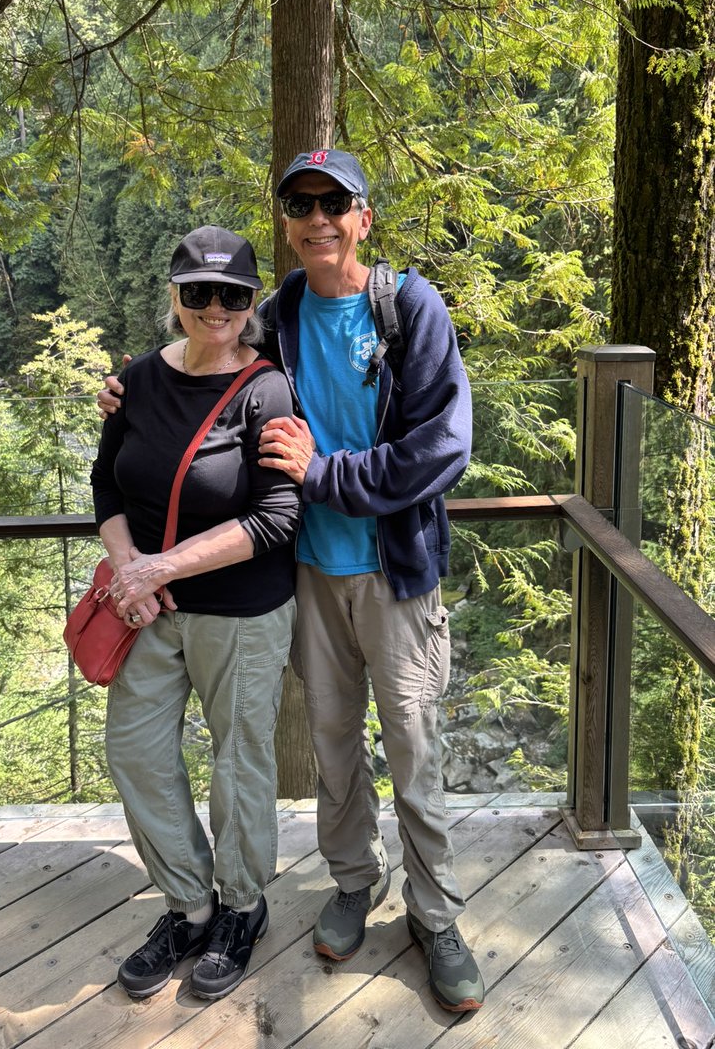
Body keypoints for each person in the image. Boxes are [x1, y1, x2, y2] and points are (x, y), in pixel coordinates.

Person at [99, 151, 484, 1013]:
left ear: (363, 216)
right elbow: (207, 358)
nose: (317, 218)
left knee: (414, 749)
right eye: (300, 204)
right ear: (286, 222)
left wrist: (325, 475)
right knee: (336, 745)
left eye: (334, 202)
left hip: (394, 572)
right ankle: (355, 882)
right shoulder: (278, 311)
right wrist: (128, 385)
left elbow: (443, 448)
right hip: (308, 573)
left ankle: (437, 914)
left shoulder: (407, 309)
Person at [90, 225, 300, 1004]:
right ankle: (190, 904)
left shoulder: (268, 389)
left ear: (252, 304)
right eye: (199, 293)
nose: (216, 308)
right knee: (137, 752)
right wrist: (128, 571)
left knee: (239, 762)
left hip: (241, 613)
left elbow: (278, 517)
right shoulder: (137, 379)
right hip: (148, 609)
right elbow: (106, 486)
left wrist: (160, 566)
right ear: (175, 296)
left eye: (234, 295)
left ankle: (243, 907)